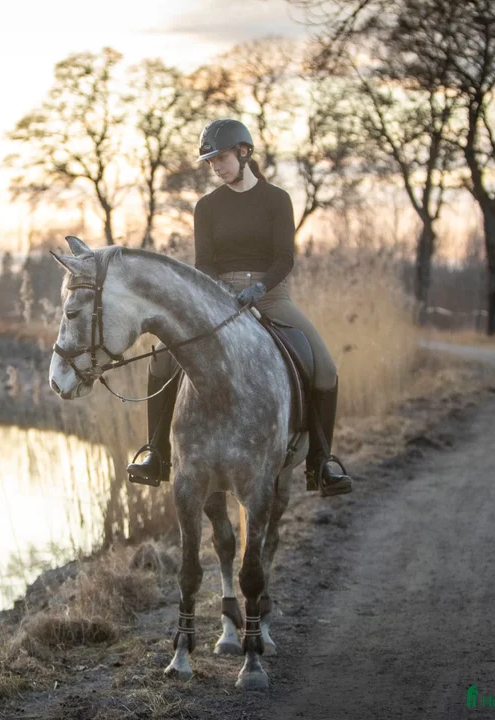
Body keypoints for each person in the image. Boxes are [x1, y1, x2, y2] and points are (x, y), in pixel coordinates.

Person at [126, 118, 352, 497]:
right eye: (210, 161)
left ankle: (320, 463)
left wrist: (260, 287)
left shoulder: (277, 199)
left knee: (325, 368)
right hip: (218, 298)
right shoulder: (207, 206)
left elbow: (285, 258)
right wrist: (220, 293)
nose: (215, 166)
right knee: (162, 359)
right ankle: (157, 455)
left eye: (221, 157)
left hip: (272, 296)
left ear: (244, 153)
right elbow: (204, 263)